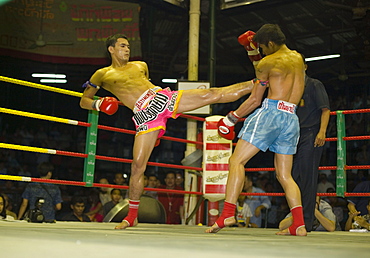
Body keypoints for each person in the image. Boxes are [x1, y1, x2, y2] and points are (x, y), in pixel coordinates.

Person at [79, 34, 254, 229]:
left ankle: (256, 83)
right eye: (122, 46)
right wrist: (99, 104)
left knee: (210, 94)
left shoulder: (140, 65)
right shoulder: (102, 74)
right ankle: (132, 216)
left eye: (128, 46)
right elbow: (84, 101)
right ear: (111, 49)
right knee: (137, 166)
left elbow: (144, 85)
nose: (127, 49)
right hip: (144, 114)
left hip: (161, 98)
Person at [206, 24, 307, 236]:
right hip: (291, 117)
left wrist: (231, 118)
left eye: (262, 47)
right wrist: (254, 55)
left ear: (270, 43)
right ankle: (299, 224)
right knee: (284, 175)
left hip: (270, 114)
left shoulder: (267, 62)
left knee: (236, 161)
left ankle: (228, 214)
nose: (260, 52)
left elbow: (254, 99)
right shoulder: (298, 58)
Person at [282, 53, 330, 232]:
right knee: (291, 176)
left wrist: (322, 131)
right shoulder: (289, 88)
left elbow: (325, 110)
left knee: (307, 177)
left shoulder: (314, 84)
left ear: (305, 66)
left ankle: (306, 222)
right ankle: (297, 219)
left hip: (310, 134)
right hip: (292, 135)